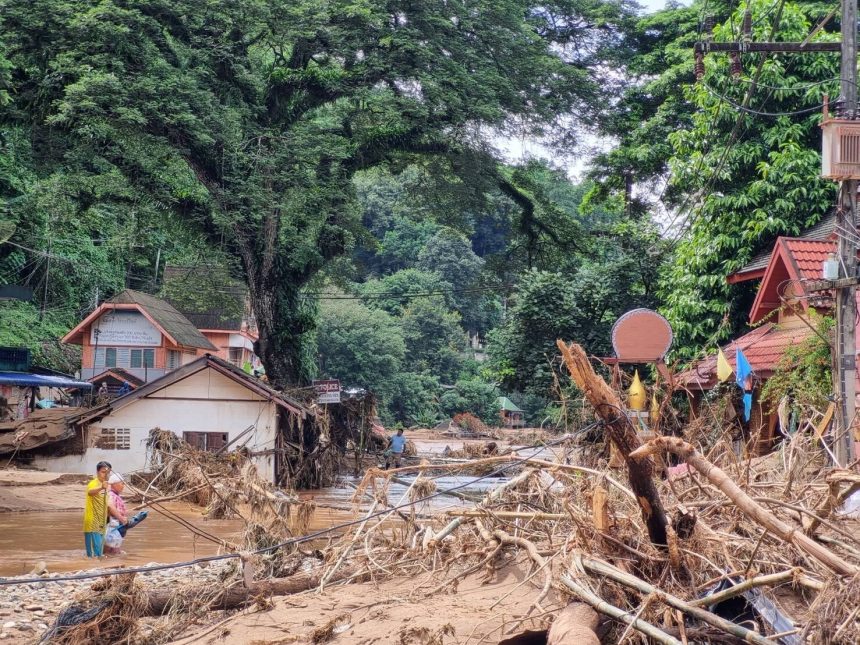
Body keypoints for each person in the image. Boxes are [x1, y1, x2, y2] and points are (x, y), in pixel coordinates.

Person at [83, 461, 111, 557]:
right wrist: (101, 487)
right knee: (93, 553)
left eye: (107, 473)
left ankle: (98, 566)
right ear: (97, 472)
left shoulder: (107, 485)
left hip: (102, 521)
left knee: (100, 550)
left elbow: (106, 503)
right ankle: (92, 568)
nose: (105, 475)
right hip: (92, 521)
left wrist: (108, 517)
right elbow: (90, 492)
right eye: (103, 472)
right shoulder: (93, 483)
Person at [105, 472, 128, 555]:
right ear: (114, 484)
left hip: (114, 528)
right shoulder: (111, 495)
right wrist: (121, 519)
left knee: (111, 553)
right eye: (122, 484)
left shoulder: (115, 495)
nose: (123, 486)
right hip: (111, 528)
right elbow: (110, 506)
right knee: (113, 553)